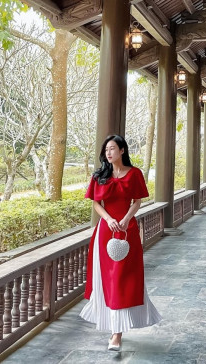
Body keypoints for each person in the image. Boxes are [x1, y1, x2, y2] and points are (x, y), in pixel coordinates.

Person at [80, 134, 161, 351]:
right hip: (105, 231)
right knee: (108, 279)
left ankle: (117, 333)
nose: (108, 153)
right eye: (106, 149)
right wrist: (108, 219)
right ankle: (114, 330)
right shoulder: (100, 175)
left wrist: (125, 219)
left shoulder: (134, 174)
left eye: (113, 148)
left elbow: (138, 201)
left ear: (122, 150)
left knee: (123, 278)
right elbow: (96, 203)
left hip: (127, 231)